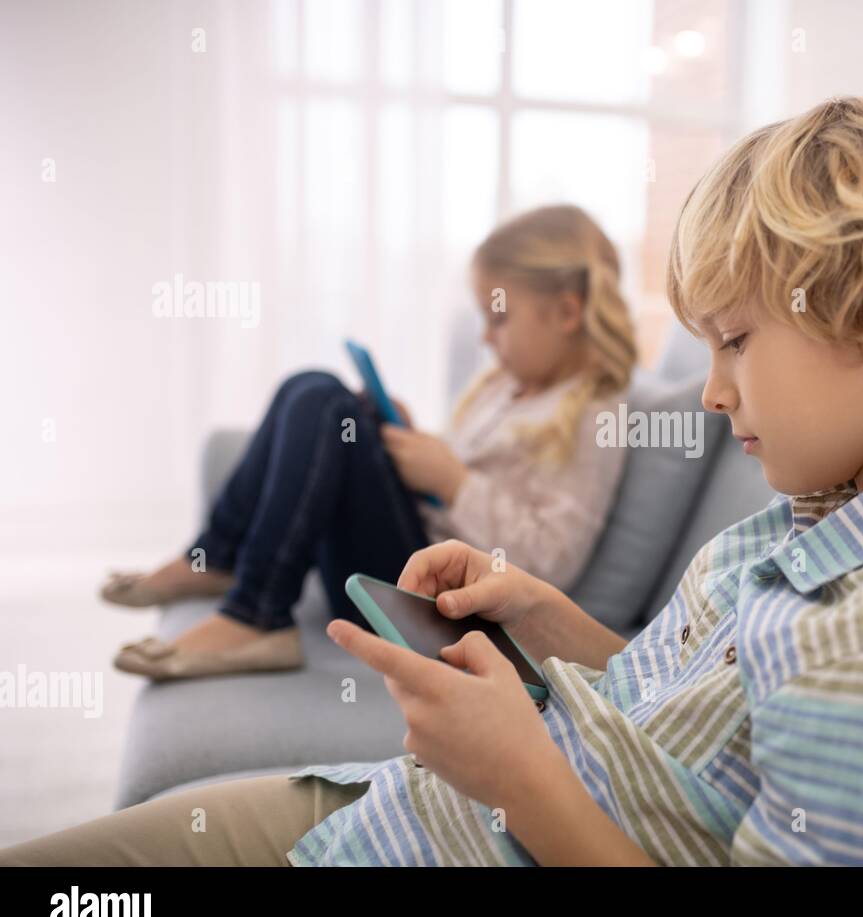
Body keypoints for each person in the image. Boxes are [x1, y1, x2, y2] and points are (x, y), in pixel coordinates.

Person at [3, 95, 863, 864]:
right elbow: (696, 720)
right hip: (397, 810)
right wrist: (555, 623)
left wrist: (519, 773)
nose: (708, 395)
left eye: (736, 340)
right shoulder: (843, 515)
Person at [99, 204, 637, 681]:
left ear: (566, 313)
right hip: (412, 545)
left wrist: (453, 481)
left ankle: (257, 616)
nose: (486, 337)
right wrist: (414, 443)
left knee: (326, 406)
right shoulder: (507, 388)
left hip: (431, 602)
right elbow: (470, 476)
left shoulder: (594, 412)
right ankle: (214, 560)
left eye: (499, 318)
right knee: (310, 387)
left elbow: (550, 561)